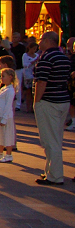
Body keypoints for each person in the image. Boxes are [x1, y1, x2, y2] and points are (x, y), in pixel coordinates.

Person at [32, 31, 71, 186]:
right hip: (62, 100)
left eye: (41, 40)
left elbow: (41, 82)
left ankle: (55, 176)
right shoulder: (64, 58)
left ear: (48, 41)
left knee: (49, 140)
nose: (39, 42)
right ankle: (50, 170)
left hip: (49, 101)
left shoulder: (46, 58)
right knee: (56, 137)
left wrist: (37, 101)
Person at [0, 68, 17, 163]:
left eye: (3, 76)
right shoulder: (3, 88)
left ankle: (8, 154)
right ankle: (0, 152)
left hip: (6, 117)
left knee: (7, 135)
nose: (2, 78)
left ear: (10, 77)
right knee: (0, 134)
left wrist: (4, 119)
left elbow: (8, 105)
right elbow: (1, 101)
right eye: (1, 76)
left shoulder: (10, 90)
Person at [22, 39, 40, 113]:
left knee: (34, 92)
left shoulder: (37, 55)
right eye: (33, 49)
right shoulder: (25, 55)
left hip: (34, 74)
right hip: (28, 75)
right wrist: (33, 62)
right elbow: (25, 65)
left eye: (35, 49)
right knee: (28, 92)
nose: (34, 50)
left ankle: (33, 108)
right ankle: (28, 107)